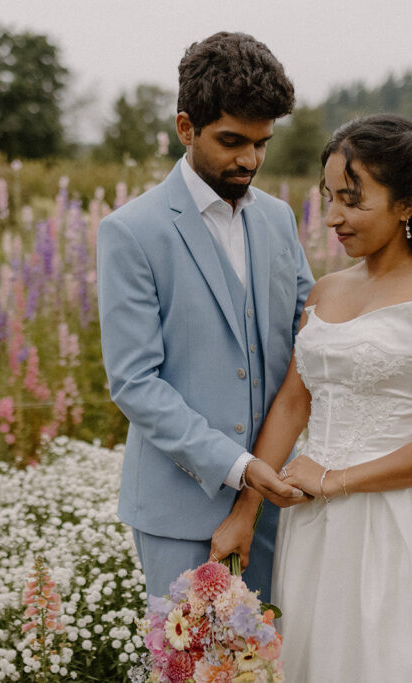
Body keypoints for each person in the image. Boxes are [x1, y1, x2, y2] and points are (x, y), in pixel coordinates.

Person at [257, 113, 412, 681]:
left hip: (401, 516)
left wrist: (335, 481)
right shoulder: (327, 289)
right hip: (314, 522)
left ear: (406, 203)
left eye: (352, 200)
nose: (333, 217)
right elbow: (293, 402)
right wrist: (248, 504)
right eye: (329, 196)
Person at [96, 31, 314, 605]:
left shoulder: (279, 220)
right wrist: (237, 466)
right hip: (178, 511)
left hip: (275, 503)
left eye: (263, 143)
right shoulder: (132, 232)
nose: (250, 159)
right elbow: (134, 383)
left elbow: (308, 342)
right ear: (186, 128)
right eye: (232, 140)